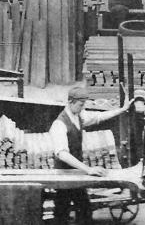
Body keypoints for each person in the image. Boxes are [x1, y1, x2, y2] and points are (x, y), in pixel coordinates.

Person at [50, 86, 140, 225]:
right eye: (80, 105)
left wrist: (122, 109)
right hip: (64, 174)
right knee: (66, 211)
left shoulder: (78, 116)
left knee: (81, 209)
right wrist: (88, 169)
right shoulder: (59, 124)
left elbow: (98, 117)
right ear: (70, 102)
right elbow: (62, 154)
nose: (82, 107)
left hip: (75, 174)